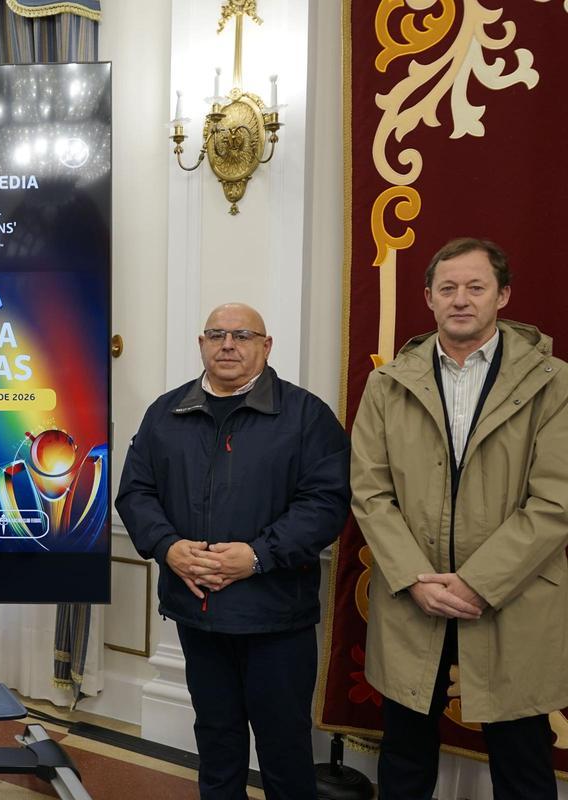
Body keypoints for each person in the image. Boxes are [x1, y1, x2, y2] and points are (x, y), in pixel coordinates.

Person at [351, 237, 568, 799]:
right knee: (403, 757)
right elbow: (370, 492)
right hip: (413, 597)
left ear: (503, 295)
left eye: (476, 287)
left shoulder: (554, 382)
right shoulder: (387, 384)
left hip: (511, 598)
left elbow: (555, 501)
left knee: (522, 761)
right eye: (447, 288)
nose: (461, 299)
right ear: (428, 298)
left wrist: (477, 583)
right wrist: (416, 579)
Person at [116, 303, 350, 800]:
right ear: (201, 344)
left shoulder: (306, 415)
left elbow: (327, 503)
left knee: (284, 750)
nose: (228, 344)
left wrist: (259, 555)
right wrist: (168, 547)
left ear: (266, 347)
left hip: (276, 617)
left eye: (243, 335)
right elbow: (136, 492)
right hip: (197, 613)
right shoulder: (165, 412)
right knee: (217, 745)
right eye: (217, 334)